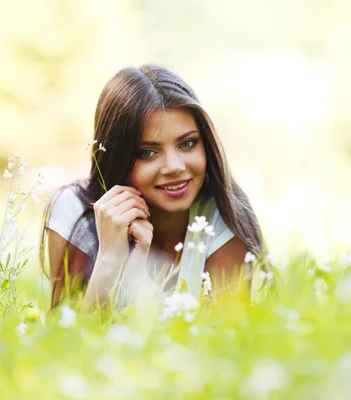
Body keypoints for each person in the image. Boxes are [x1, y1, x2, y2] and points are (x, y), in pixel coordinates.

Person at [40, 64, 265, 310]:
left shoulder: (225, 220)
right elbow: (65, 341)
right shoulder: (73, 213)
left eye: (187, 143)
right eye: (147, 152)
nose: (174, 167)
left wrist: (138, 277)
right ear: (118, 158)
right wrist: (109, 260)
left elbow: (219, 343)